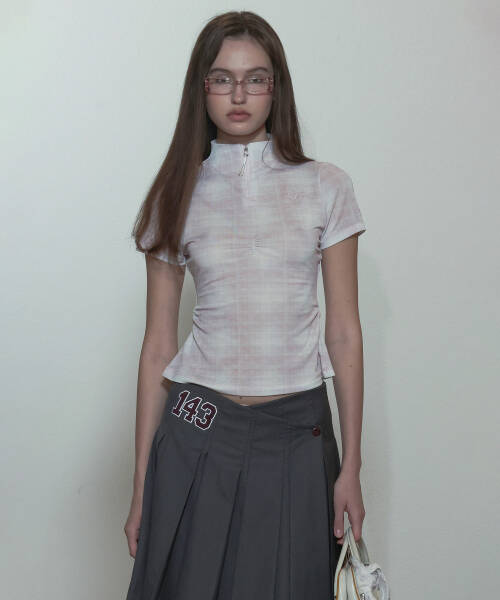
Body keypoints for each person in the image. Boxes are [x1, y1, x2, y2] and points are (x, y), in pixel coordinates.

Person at [124, 10, 367, 600]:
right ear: (201, 88)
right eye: (222, 79)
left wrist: (352, 467)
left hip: (297, 433)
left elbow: (343, 333)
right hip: (198, 426)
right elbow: (158, 346)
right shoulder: (175, 192)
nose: (238, 95)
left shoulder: (326, 186)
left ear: (276, 87)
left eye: (255, 79)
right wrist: (141, 485)